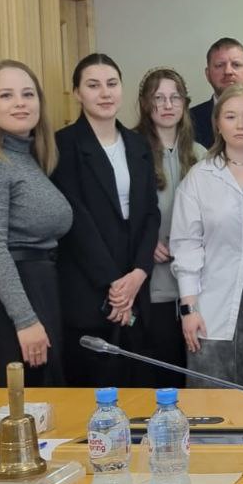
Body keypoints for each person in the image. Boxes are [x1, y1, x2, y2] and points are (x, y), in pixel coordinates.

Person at [0, 61, 72, 387]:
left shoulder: (27, 157)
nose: (20, 103)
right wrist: (25, 319)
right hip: (9, 303)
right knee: (24, 405)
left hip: (39, 289)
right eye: (6, 95)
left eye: (28, 94)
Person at [53, 53, 160, 387]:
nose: (104, 93)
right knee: (95, 390)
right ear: (77, 93)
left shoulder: (138, 143)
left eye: (112, 84)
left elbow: (150, 214)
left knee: (140, 390)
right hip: (89, 288)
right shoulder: (62, 144)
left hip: (136, 285)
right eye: (93, 85)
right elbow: (76, 221)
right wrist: (115, 286)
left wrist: (139, 273)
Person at [171, 86, 243, 387]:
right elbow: (186, 246)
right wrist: (189, 309)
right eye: (231, 117)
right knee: (210, 406)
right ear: (218, 124)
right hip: (210, 310)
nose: (240, 124)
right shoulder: (199, 177)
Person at [134, 67, 207, 388]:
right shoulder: (132, 151)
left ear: (185, 103)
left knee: (198, 381)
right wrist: (145, 243)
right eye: (158, 98)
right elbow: (119, 214)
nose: (167, 105)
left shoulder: (201, 155)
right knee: (163, 378)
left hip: (198, 290)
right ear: (146, 104)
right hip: (155, 288)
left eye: (174, 97)